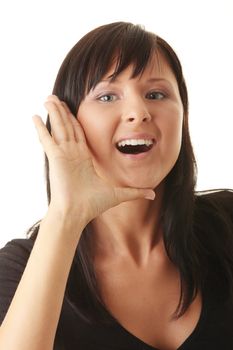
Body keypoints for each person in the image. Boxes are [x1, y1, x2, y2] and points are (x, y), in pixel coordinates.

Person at [0, 21, 232, 350]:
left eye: (156, 94)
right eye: (107, 96)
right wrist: (66, 214)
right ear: (68, 123)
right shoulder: (20, 268)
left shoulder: (227, 224)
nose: (138, 112)